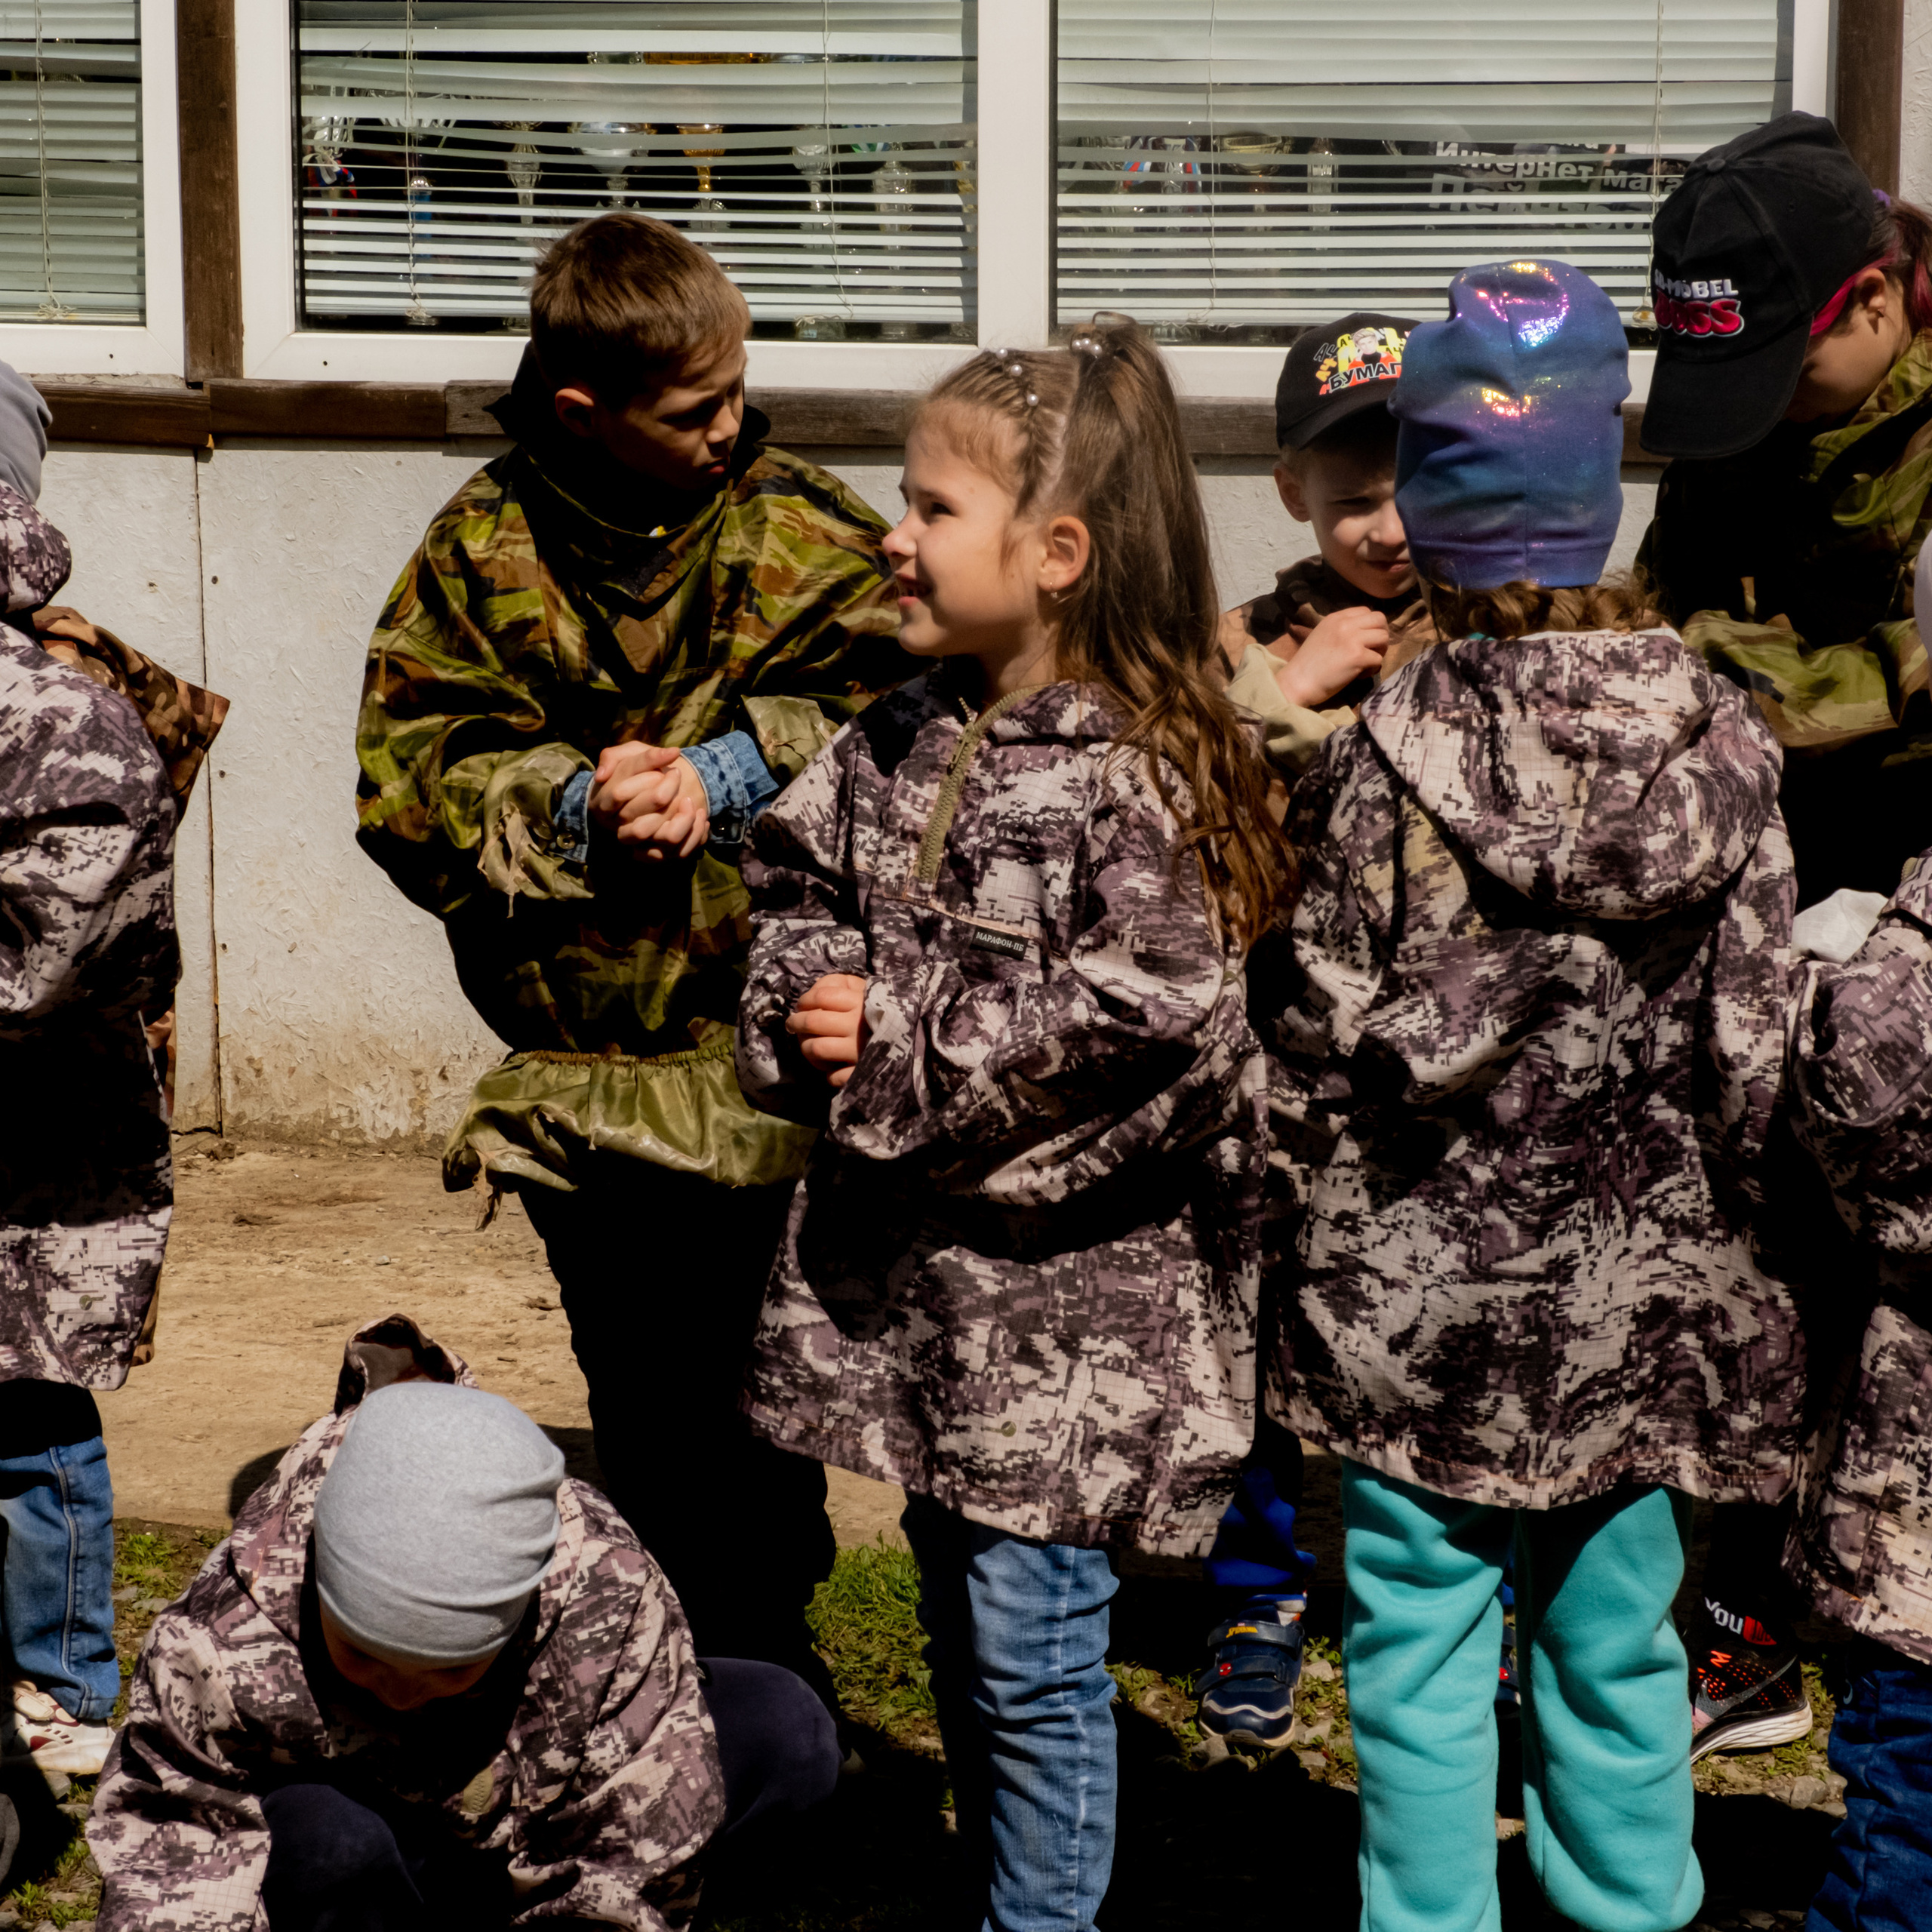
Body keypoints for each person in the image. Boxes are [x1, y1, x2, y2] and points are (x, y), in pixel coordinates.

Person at [1260, 258, 1813, 1932]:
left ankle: (1427, 1919)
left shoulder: (1377, 759)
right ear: (1603, 488)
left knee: (1418, 1654)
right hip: (1650, 1313)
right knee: (1617, 1643)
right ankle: (1627, 1910)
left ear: (1425, 505)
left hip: (1410, 1314)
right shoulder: (1725, 748)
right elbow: (1759, 1043)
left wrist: (1290, 1218)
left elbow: (1316, 1031)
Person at [734, 319, 1285, 1932]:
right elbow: (789, 886)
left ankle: (1036, 1916)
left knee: (1036, 1646)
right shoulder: (893, 732)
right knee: (971, 1613)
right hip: (926, 1319)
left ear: (1056, 553)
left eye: (926, 507)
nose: (888, 536)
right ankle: (996, 1882)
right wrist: (805, 994)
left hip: (1075, 1330)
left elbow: (1151, 1026)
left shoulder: (1148, 774)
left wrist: (894, 1041)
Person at [353, 213, 911, 1689]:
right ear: (582, 409)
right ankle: (682, 1675)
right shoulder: (477, 555)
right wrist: (570, 804)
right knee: (649, 1394)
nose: (729, 430)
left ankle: (763, 1663)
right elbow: (405, 788)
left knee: (762, 1387)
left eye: (736, 394)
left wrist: (731, 771)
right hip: (590, 1080)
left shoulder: (803, 530)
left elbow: (918, 722)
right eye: (691, 412)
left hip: (779, 1060)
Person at [1638, 109, 1932, 1761]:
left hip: (1908, 940)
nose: (1737, 424)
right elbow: (1667, 625)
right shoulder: (1743, 430)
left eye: (1778, 374)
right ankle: (1746, 1625)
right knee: (1751, 1288)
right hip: (1774, 927)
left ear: (1876, 300)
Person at [88, 1315, 841, 1932]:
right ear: (318, 1595)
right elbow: (175, 1854)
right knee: (324, 1840)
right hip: (370, 1840)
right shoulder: (227, 1629)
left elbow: (626, 1863)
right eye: (367, 1657)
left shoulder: (604, 1592)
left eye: (451, 1667)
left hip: (526, 1821)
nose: (405, 1694)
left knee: (784, 1725)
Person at [0, 453, 178, 1781]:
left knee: (30, 1417)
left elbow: (44, 944)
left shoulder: (68, 720)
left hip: (38, 1158)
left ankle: (61, 1680)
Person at [1221, 310, 1430, 758]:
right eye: (1355, 503)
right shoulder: (1233, 645)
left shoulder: (1493, 624)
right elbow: (1180, 794)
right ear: (1294, 494)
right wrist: (1284, 691)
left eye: (1417, 493)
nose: (1392, 533)